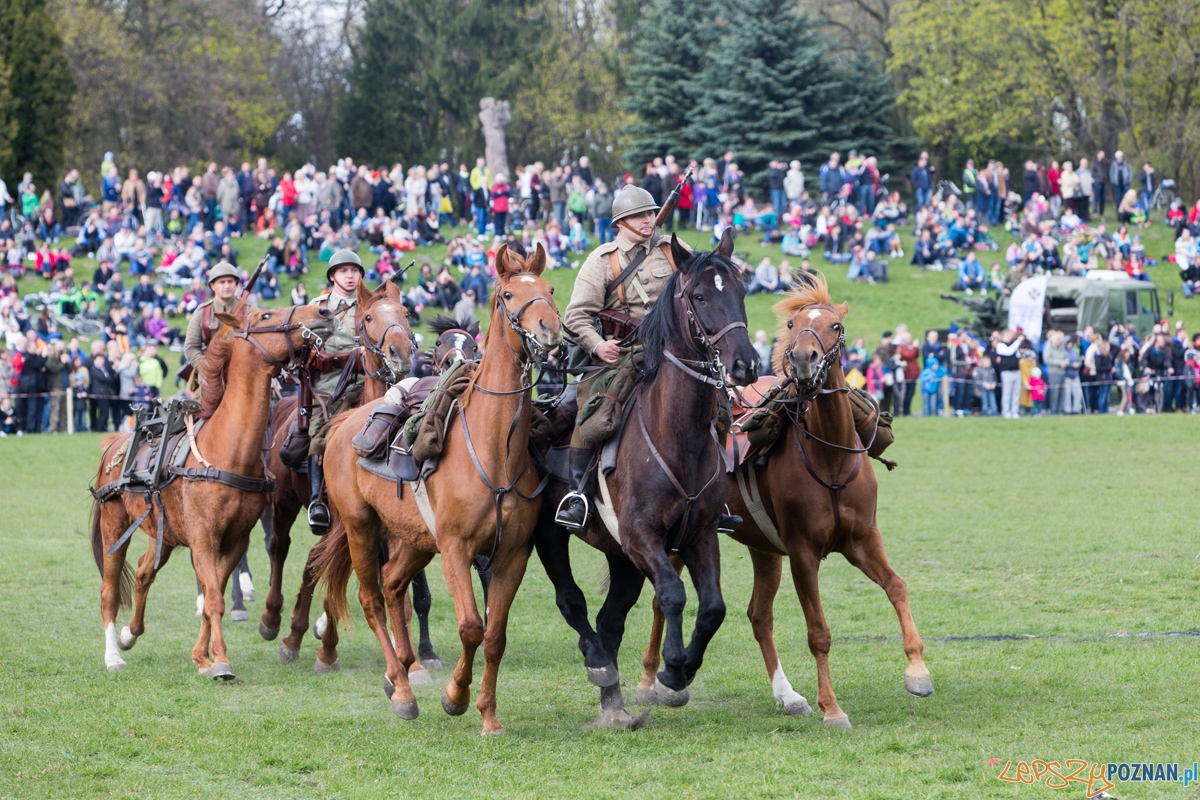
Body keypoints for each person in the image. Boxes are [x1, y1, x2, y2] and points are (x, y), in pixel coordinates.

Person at [556, 185, 739, 533]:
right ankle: (578, 495)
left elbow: (708, 276)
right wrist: (598, 346)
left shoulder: (672, 251)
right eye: (640, 215)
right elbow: (577, 316)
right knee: (591, 408)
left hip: (677, 352)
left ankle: (715, 497)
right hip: (624, 352)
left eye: (651, 213)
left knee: (718, 406)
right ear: (621, 222)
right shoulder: (602, 261)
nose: (649, 220)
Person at [305, 250, 366, 533]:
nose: (350, 276)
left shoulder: (371, 305)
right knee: (320, 429)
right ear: (332, 276)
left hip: (368, 379)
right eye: (344, 271)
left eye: (354, 270)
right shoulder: (317, 307)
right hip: (330, 383)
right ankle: (318, 500)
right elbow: (304, 347)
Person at [182, 262, 247, 394]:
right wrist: (208, 369)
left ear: (236, 284)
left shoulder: (250, 311)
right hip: (210, 377)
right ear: (212, 286)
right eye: (222, 282)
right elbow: (191, 347)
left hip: (244, 374)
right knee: (201, 412)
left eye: (230, 281)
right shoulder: (202, 312)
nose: (227, 285)